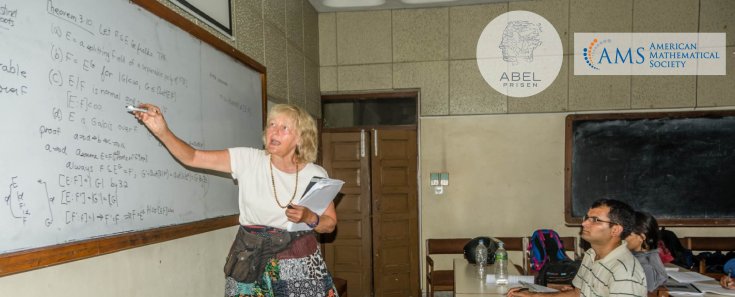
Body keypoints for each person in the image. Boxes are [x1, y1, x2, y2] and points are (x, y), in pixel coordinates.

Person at [132, 103, 339, 297]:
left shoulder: (315, 173)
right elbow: (193, 157)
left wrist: (310, 217)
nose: (274, 131)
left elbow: (329, 224)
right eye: (271, 125)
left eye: (284, 127)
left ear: (300, 138)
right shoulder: (247, 159)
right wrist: (162, 131)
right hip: (248, 257)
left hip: (297, 258)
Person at [507, 199, 647, 297]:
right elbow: (577, 294)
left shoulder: (624, 272)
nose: (585, 223)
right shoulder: (591, 255)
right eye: (587, 218)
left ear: (615, 230)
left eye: (595, 220)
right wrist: (532, 295)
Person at [626, 211, 667, 292]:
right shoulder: (650, 255)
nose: (621, 238)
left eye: (626, 234)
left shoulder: (644, 266)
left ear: (641, 237)